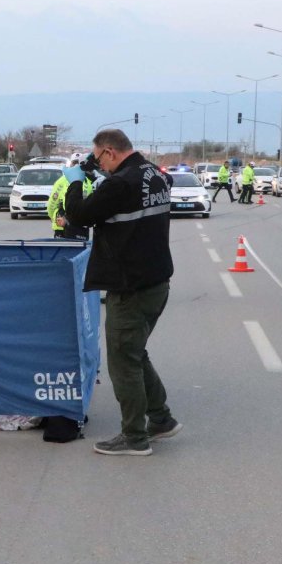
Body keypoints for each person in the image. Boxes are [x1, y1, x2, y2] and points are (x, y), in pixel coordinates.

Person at [61, 129, 179, 456]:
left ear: (110, 152)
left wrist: (74, 182)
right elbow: (127, 201)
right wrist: (97, 175)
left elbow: (78, 216)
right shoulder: (155, 174)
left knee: (123, 362)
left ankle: (134, 437)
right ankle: (161, 420)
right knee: (135, 353)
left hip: (130, 286)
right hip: (156, 282)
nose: (99, 165)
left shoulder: (119, 184)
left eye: (99, 158)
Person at [47, 159, 94, 239]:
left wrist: (52, 217)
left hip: (63, 224)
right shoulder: (88, 182)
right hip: (80, 226)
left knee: (62, 250)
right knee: (79, 250)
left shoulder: (61, 181)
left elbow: (52, 203)